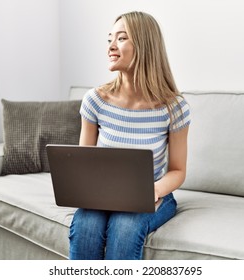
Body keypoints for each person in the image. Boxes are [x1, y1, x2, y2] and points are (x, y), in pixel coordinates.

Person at [69, 11, 190, 260]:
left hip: (153, 195)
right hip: (101, 194)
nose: (111, 46)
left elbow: (178, 171)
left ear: (144, 46)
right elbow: (83, 162)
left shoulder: (174, 107)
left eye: (121, 38)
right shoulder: (95, 100)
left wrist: (153, 190)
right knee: (86, 227)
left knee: (125, 227)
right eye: (109, 39)